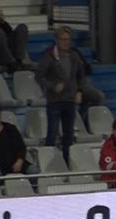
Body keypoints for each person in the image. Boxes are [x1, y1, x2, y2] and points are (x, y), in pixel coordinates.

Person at [35, 26, 87, 164]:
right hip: (55, 101)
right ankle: (48, 162)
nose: (66, 42)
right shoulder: (49, 56)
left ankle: (67, 162)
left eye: (68, 40)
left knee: (68, 134)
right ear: (57, 40)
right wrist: (52, 86)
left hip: (70, 100)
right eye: (63, 39)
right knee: (52, 133)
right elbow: (39, 77)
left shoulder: (74, 56)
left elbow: (81, 76)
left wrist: (80, 91)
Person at [0, 102, 37, 177]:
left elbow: (21, 147)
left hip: (15, 162)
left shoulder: (10, 129)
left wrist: (19, 161)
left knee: (33, 170)